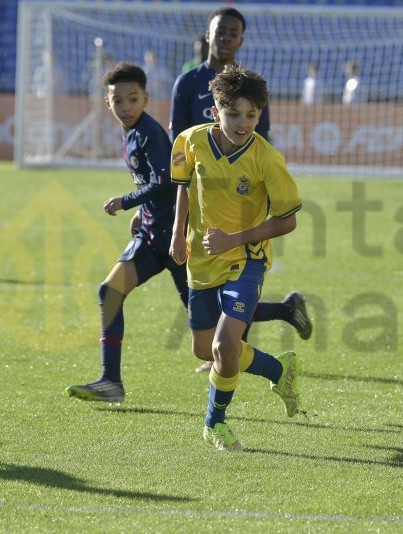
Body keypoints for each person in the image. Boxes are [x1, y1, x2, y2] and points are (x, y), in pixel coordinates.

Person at [170, 6, 311, 373]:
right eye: (221, 31)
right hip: (196, 205)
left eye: (234, 32)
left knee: (232, 295)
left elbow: (260, 144)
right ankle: (245, 334)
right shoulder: (188, 84)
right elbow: (181, 153)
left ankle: (229, 352)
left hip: (239, 210)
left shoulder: (250, 91)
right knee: (206, 335)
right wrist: (175, 226)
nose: (227, 38)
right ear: (208, 35)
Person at [169, 64, 303, 450]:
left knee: (225, 346)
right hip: (202, 258)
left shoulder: (266, 158)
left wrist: (236, 238)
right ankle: (280, 369)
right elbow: (181, 188)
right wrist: (178, 235)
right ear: (215, 111)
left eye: (252, 115)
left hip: (248, 257)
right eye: (234, 114)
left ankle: (215, 423)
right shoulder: (189, 142)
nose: (244, 123)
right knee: (203, 348)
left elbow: (287, 219)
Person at [65, 62, 188, 403]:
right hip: (152, 234)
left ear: (146, 98)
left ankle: (283, 309)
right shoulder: (132, 132)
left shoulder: (149, 132)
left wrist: (126, 201)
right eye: (118, 101)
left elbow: (164, 181)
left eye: (133, 99)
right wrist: (141, 212)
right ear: (108, 104)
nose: (125, 107)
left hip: (173, 237)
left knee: (209, 323)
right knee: (110, 292)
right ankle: (111, 382)